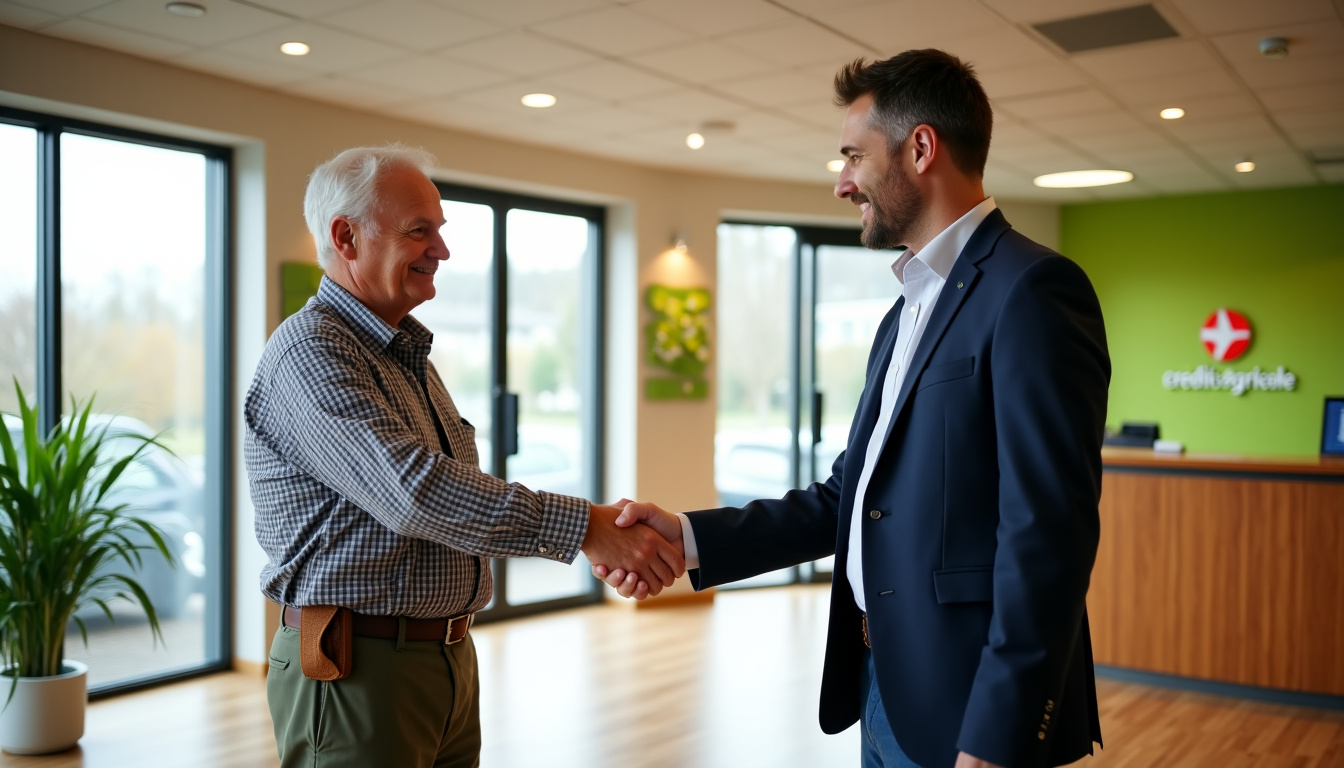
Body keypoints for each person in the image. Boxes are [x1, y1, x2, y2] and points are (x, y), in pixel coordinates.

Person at [596, 50, 1109, 768]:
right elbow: (850, 497)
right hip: (885, 685)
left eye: (852, 156)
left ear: (921, 148)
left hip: (973, 715)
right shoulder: (903, 315)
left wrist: (998, 734)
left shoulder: (1033, 290)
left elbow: (1048, 537)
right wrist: (685, 538)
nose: (841, 183)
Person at [245, 145, 684, 768]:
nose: (441, 250)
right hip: (357, 670)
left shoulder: (401, 356)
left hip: (444, 661)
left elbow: (448, 496)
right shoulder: (312, 351)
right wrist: (585, 527)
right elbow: (415, 493)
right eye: (418, 231)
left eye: (440, 231)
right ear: (346, 237)